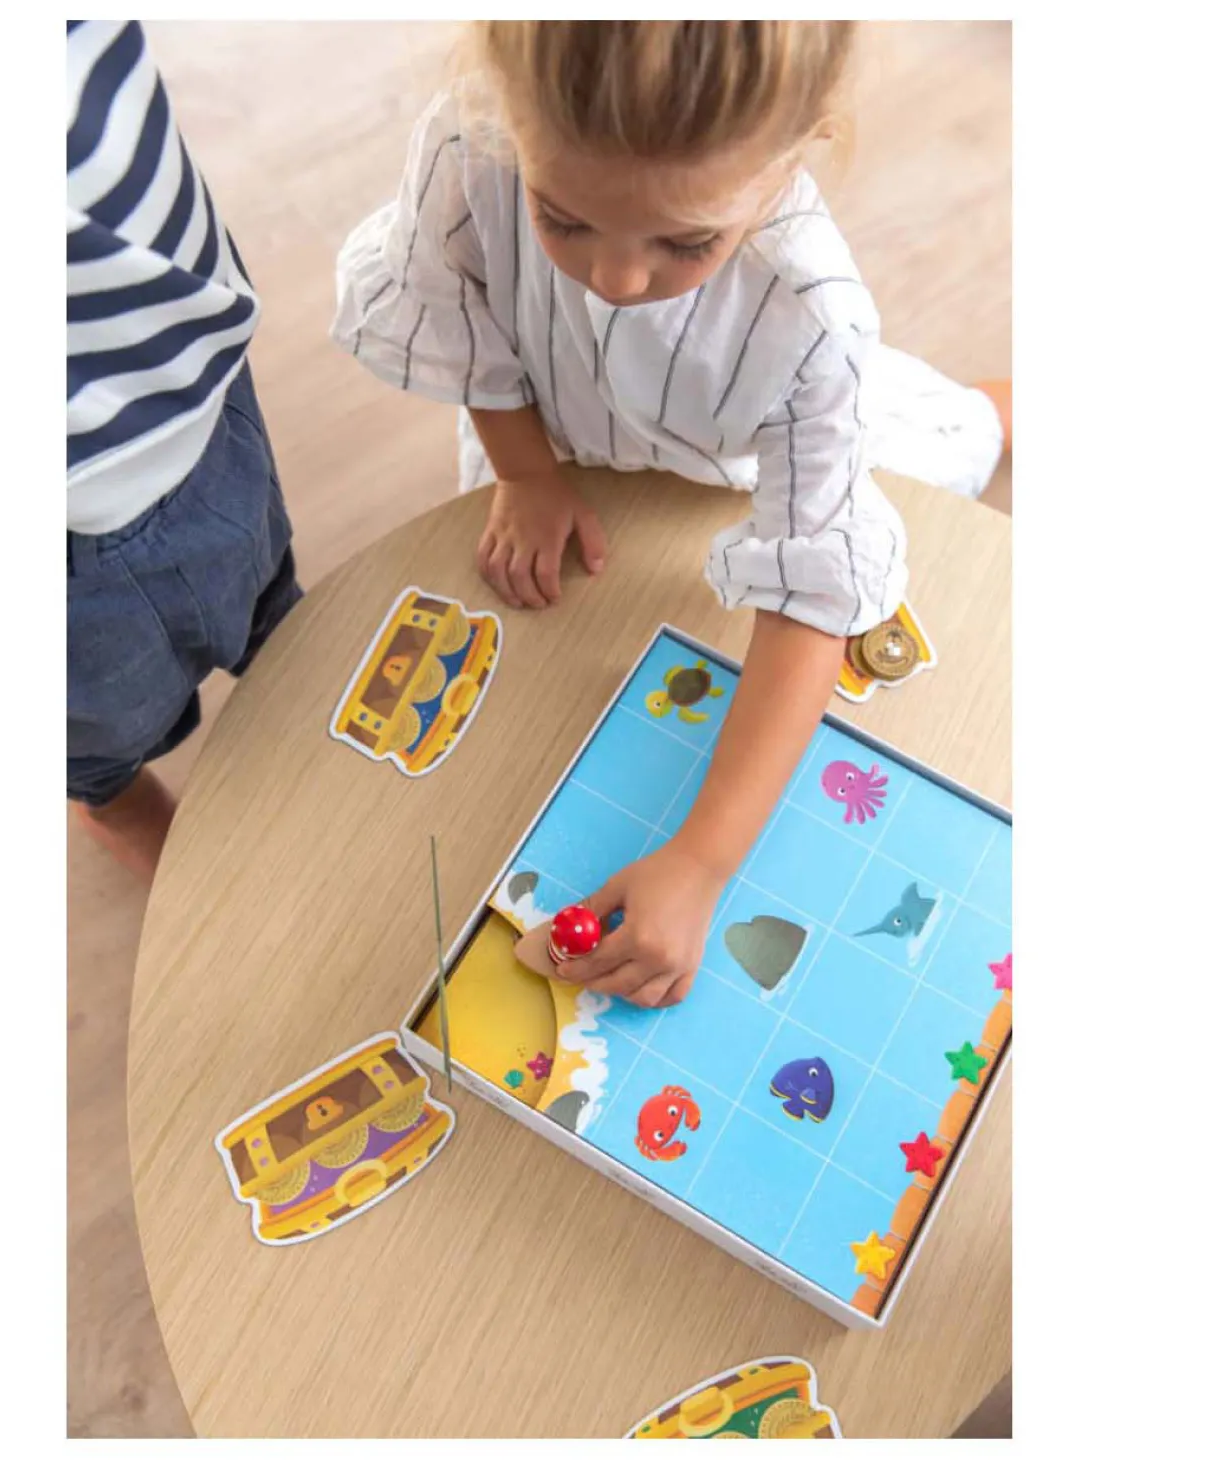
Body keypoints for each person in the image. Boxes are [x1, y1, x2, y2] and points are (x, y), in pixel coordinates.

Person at [332, 20, 1009, 1006]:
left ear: (799, 150)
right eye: (560, 217)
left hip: (734, 456)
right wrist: (525, 473)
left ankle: (998, 407)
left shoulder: (812, 321)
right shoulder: (468, 141)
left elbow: (810, 593)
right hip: (552, 440)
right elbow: (460, 313)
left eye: (686, 241)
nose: (614, 281)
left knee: (947, 437)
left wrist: (700, 860)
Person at [67, 20, 300, 880]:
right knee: (97, 737)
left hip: (191, 367)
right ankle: (117, 803)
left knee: (269, 593)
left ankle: (295, 664)